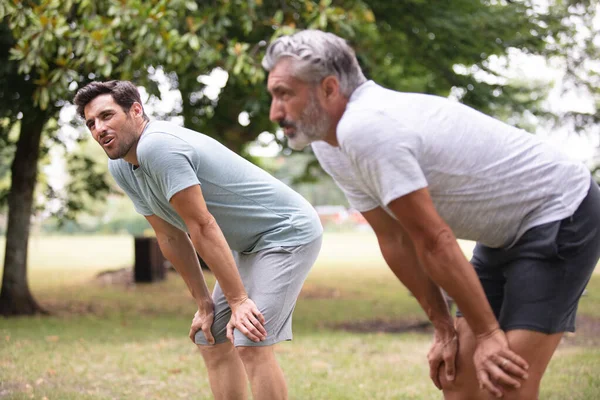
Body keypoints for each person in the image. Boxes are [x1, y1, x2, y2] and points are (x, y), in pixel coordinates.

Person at [262, 30, 600, 400]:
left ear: (329, 89)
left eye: (284, 95)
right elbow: (394, 238)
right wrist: (443, 326)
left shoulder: (367, 129)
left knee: (506, 383)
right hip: (502, 233)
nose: (275, 113)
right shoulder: (331, 144)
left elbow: (433, 239)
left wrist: (488, 335)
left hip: (561, 210)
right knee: (457, 379)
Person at [73, 80, 323, 400]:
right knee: (211, 338)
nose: (99, 129)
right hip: (247, 244)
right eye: (91, 123)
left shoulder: (158, 146)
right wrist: (204, 304)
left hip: (287, 232)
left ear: (136, 110)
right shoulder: (121, 166)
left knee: (250, 337)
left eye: (107, 116)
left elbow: (202, 226)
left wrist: (238, 301)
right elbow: (169, 235)